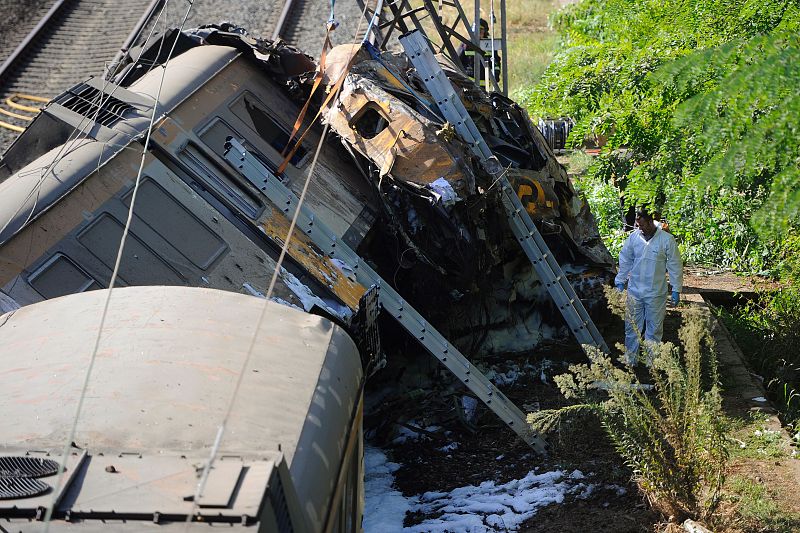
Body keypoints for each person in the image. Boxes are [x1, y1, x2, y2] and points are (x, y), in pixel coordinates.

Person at [614, 207, 683, 365]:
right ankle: (631, 360)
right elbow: (625, 259)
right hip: (635, 291)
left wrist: (676, 289)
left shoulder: (666, 240)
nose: (640, 228)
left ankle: (652, 363)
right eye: (637, 225)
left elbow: (675, 265)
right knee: (632, 327)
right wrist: (620, 280)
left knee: (654, 328)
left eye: (643, 225)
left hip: (656, 292)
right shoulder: (633, 238)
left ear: (651, 222)